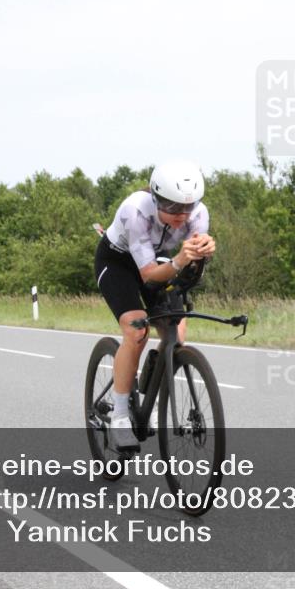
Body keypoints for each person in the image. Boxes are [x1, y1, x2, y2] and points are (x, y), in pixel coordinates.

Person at [95, 160, 216, 450]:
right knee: (137, 330)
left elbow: (188, 270)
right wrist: (181, 260)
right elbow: (148, 275)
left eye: (187, 207)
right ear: (155, 198)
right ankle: (121, 416)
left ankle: (151, 376)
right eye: (172, 207)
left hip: (158, 258)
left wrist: (204, 255)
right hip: (118, 262)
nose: (181, 215)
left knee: (177, 333)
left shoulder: (198, 215)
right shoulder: (136, 211)